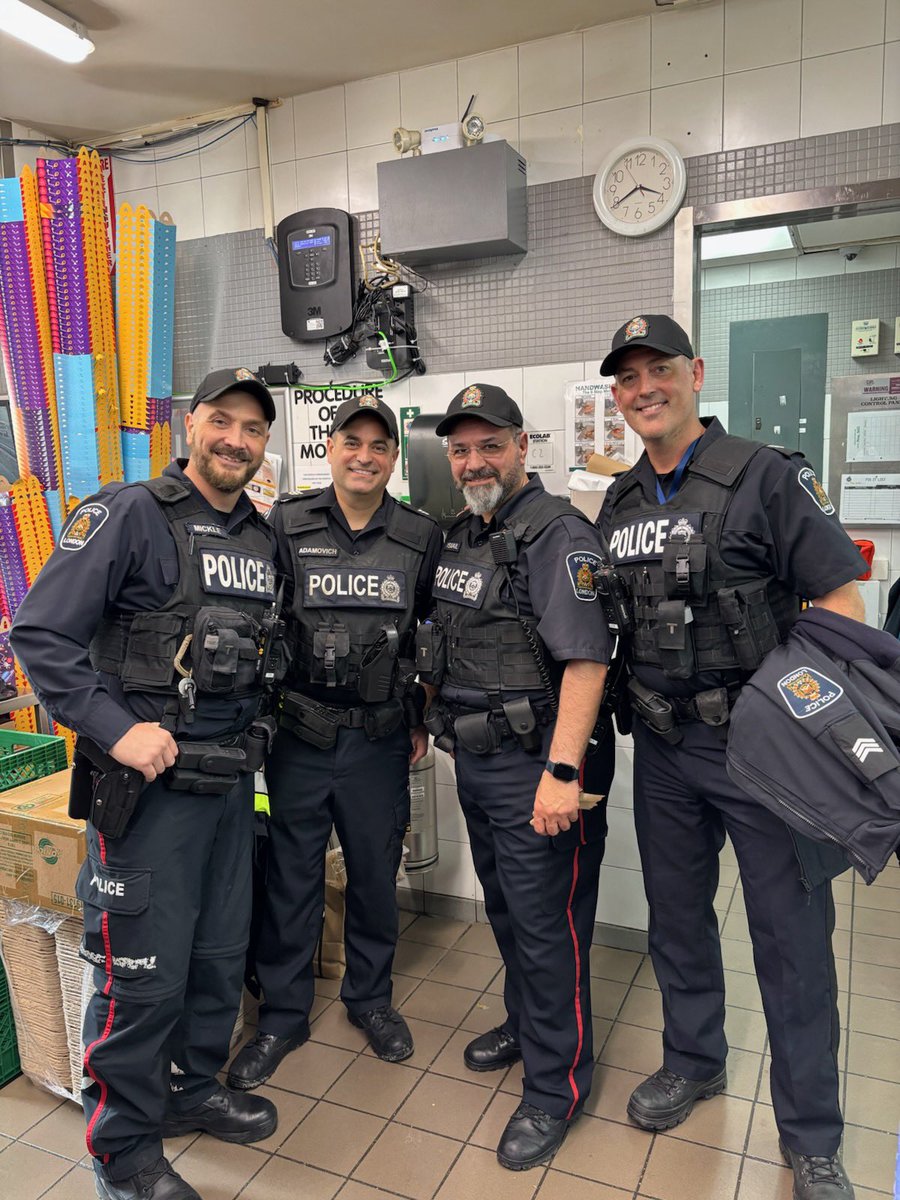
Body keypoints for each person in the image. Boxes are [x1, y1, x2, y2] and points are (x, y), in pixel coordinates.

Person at [597, 315, 866, 1200]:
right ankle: (693, 1060)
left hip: (762, 752)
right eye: (628, 377)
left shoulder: (766, 474)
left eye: (660, 369)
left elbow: (840, 602)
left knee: (791, 942)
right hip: (664, 747)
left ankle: (812, 1135)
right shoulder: (621, 500)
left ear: (696, 373)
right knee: (676, 920)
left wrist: (808, 728)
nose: (645, 388)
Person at [10, 368, 283, 1200]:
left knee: (219, 957)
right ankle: (123, 1155)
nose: (237, 439)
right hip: (148, 799)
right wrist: (117, 728)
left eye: (253, 429)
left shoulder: (261, 538)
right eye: (223, 421)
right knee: (141, 976)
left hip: (229, 790)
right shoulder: (130, 513)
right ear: (190, 425)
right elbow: (40, 634)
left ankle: (192, 1089)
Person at [420, 383, 614, 1171]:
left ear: (522, 446)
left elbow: (587, 659)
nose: (475, 462)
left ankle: (555, 1087)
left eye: (490, 446)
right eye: (461, 449)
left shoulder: (557, 533)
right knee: (507, 912)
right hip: (478, 759)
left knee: (547, 928)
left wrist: (562, 772)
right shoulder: (462, 535)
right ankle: (528, 1024)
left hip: (540, 765)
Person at [227, 395, 443, 1089]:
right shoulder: (286, 524)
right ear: (330, 448)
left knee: (375, 878)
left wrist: (421, 713)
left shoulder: (419, 535)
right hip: (301, 735)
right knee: (292, 879)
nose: (364, 456)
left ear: (393, 457)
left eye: (379, 446)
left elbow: (433, 634)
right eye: (352, 442)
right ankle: (283, 1015)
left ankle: (370, 1001)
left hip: (379, 741)